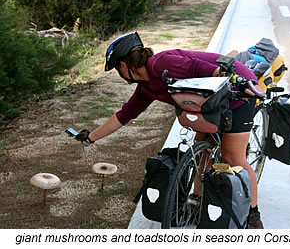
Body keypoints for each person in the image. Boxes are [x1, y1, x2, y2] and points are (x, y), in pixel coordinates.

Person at [76, 31, 263, 229]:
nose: (119, 74)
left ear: (123, 65)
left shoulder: (161, 64)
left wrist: (234, 81)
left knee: (233, 157)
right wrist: (91, 137)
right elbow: (124, 115)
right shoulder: (146, 87)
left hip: (238, 90)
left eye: (116, 69)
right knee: (202, 151)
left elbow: (207, 69)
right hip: (210, 102)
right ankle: (198, 202)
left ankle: (253, 215)